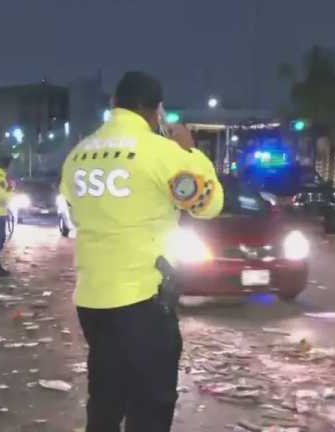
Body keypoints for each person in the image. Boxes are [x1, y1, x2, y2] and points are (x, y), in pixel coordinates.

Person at [60, 71, 223, 432]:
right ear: (156, 111)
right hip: (142, 302)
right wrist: (190, 152)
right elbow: (206, 203)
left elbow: (72, 211)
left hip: (92, 300)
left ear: (114, 105)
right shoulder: (160, 152)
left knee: (105, 398)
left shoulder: (78, 155)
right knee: (151, 405)